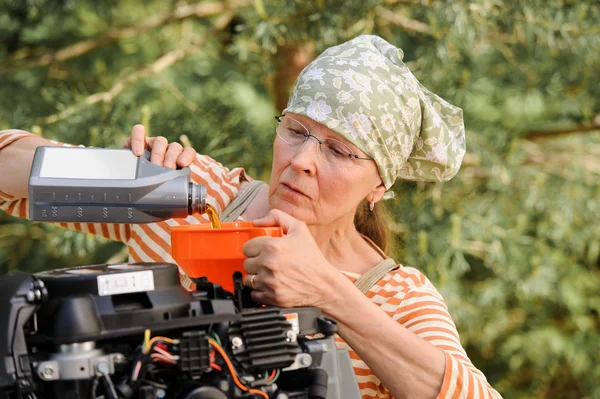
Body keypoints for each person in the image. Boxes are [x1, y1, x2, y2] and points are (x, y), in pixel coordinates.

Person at [0, 35, 501, 399]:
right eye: (297, 130)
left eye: (340, 151)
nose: (302, 159)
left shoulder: (396, 297)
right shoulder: (194, 196)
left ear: (380, 186)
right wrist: (117, 174)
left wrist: (331, 294)